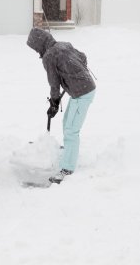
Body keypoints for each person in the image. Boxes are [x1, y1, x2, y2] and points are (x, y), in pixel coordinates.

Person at [27, 28, 96, 184]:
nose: (36, 51)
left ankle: (67, 168)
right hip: (82, 88)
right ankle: (69, 152)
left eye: (35, 47)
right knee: (67, 123)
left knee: (71, 130)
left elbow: (54, 83)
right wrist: (73, 76)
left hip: (82, 93)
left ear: (39, 44)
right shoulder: (64, 45)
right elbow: (82, 57)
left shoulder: (49, 56)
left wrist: (54, 102)